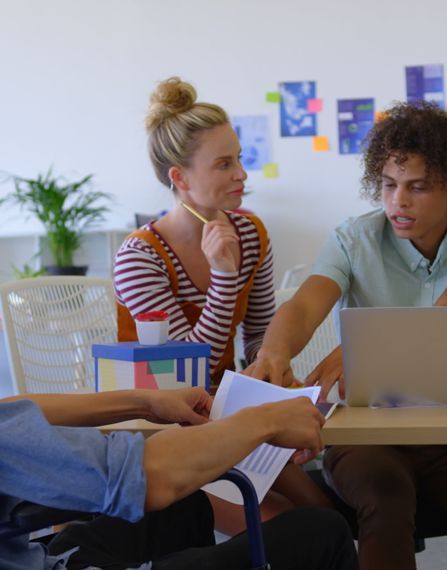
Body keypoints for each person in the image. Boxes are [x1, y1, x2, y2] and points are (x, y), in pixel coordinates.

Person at [0, 165, 357, 570]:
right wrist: (263, 422)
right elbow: (146, 475)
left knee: (187, 509)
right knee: (319, 531)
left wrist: (143, 400)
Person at [245, 102, 447, 570]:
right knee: (386, 496)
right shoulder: (352, 238)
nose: (399, 200)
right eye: (388, 185)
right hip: (366, 432)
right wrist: (273, 351)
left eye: (418, 187)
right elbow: (304, 305)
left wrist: (361, 354)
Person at [113, 77, 330, 534]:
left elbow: (259, 338)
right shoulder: (139, 257)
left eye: (241, 160)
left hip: (228, 412)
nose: (242, 175)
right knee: (289, 529)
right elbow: (189, 371)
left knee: (327, 516)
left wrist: (274, 388)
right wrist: (224, 278)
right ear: (180, 177)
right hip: (163, 430)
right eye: (225, 164)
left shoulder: (250, 232)